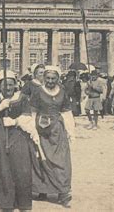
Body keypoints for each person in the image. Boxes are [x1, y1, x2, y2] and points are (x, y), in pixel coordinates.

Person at [0, 70, 38, 211]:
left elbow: (28, 117)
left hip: (18, 135)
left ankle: (21, 203)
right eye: (5, 85)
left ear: (15, 85)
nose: (8, 88)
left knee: (20, 168)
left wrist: (15, 121)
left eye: (11, 85)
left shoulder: (22, 98)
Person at [30, 66, 75, 208]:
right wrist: (32, 130)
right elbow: (32, 111)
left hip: (57, 130)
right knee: (41, 160)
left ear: (58, 79)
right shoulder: (38, 92)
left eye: (53, 78)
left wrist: (70, 131)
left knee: (61, 160)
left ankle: (63, 193)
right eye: (47, 78)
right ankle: (43, 190)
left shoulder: (62, 92)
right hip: (41, 130)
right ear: (44, 78)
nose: (50, 81)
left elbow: (67, 111)